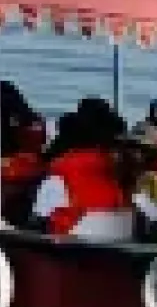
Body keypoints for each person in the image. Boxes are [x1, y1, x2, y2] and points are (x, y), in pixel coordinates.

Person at [34, 102, 135, 243]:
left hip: (66, 259)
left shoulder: (61, 175)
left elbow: (37, 228)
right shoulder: (128, 175)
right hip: (118, 257)